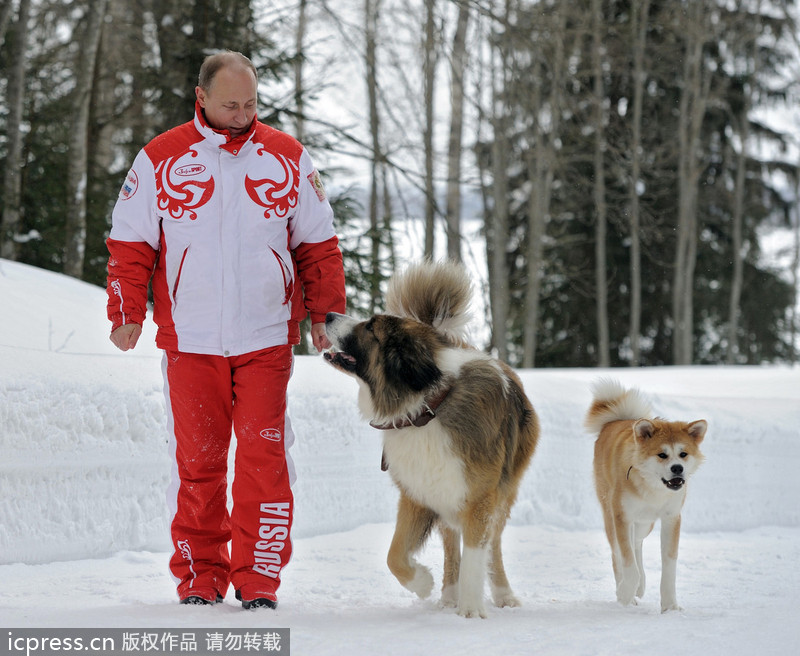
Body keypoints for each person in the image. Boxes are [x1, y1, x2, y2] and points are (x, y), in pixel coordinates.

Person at [105, 50, 346, 610]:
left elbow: (318, 244)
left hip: (265, 338)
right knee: (199, 464)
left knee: (264, 460)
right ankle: (200, 575)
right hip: (191, 340)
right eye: (230, 104)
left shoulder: (287, 158)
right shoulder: (161, 158)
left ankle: (259, 578)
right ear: (203, 98)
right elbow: (131, 242)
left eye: (251, 103)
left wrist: (325, 315)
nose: (242, 114)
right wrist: (127, 311)